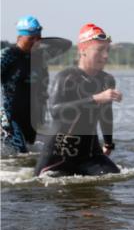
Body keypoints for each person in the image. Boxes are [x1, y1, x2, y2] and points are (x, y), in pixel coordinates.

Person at [35, 24, 121, 176]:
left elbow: (106, 113)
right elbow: (55, 111)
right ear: (83, 51)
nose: (106, 55)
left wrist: (108, 143)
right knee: (39, 189)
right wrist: (95, 98)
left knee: (116, 178)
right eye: (100, 50)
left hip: (89, 154)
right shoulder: (66, 77)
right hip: (58, 155)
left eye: (107, 50)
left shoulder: (107, 80)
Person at [2, 16, 47, 154]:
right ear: (20, 37)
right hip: (10, 116)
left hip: (30, 117)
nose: (35, 42)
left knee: (31, 155)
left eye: (38, 38)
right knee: (21, 154)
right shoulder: (7, 55)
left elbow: (42, 88)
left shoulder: (39, 57)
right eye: (31, 38)